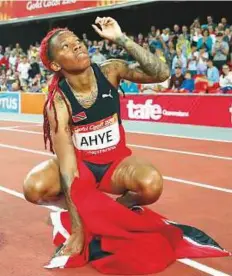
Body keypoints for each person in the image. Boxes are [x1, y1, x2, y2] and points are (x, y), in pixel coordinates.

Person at [23, 17, 169, 256]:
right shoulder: (58, 101)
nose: (77, 46)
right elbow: (68, 166)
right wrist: (78, 230)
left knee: (151, 184)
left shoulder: (110, 70)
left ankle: (113, 209)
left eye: (77, 41)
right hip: (82, 167)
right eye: (66, 47)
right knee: (34, 188)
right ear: (56, 65)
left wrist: (121, 39)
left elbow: (161, 73)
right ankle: (80, 211)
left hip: (116, 164)